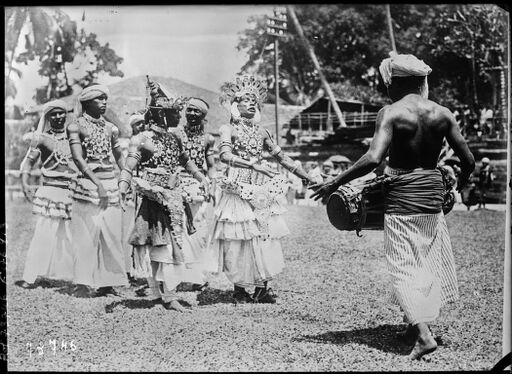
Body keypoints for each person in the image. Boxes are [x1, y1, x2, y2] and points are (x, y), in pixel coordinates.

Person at [310, 52, 475, 360]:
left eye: (387, 82)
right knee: (425, 261)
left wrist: (333, 183)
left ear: (396, 83)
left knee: (403, 265)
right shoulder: (443, 112)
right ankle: (415, 325)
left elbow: (373, 158)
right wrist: (456, 185)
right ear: (421, 81)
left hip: (401, 197)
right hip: (431, 197)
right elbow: (468, 160)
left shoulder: (391, 112)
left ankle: (424, 336)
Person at [210, 74, 316, 304]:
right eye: (245, 99)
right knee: (239, 238)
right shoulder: (227, 129)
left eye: (254, 100)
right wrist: (252, 164)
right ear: (235, 104)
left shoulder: (262, 132)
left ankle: (261, 287)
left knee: (264, 235)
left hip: (262, 188)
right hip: (238, 186)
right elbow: (225, 155)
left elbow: (283, 157)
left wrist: (306, 176)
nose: (251, 103)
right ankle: (239, 288)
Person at [118, 78, 211, 312]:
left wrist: (203, 178)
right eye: (174, 113)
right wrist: (123, 185)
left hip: (174, 198)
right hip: (152, 200)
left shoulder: (175, 137)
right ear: (160, 114)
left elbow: (187, 162)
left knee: (171, 246)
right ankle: (159, 294)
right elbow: (129, 166)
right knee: (156, 245)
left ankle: (167, 294)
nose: (179, 117)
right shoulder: (142, 139)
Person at [67, 84, 128, 298]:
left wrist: (126, 177)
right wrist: (97, 184)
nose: (104, 103)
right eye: (99, 99)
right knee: (85, 235)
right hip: (88, 186)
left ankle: (109, 283)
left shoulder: (111, 128)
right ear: (86, 102)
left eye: (105, 99)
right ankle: (82, 283)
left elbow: (118, 155)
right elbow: (78, 158)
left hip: (110, 184)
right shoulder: (75, 126)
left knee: (112, 234)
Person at [17, 100, 78, 289]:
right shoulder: (41, 138)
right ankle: (30, 276)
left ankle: (77, 278)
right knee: (43, 234)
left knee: (72, 236)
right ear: (48, 117)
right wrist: (25, 184)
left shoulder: (74, 138)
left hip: (72, 192)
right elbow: (28, 164)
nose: (59, 117)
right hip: (51, 191)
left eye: (61, 113)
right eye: (54, 114)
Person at [177, 97, 216, 291]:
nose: (192, 114)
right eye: (189, 110)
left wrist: (213, 185)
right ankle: (178, 274)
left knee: (198, 230)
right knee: (178, 230)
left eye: (196, 111)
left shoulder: (208, 138)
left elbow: (211, 166)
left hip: (199, 187)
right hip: (176, 185)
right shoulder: (175, 134)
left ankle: (197, 276)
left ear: (203, 115)